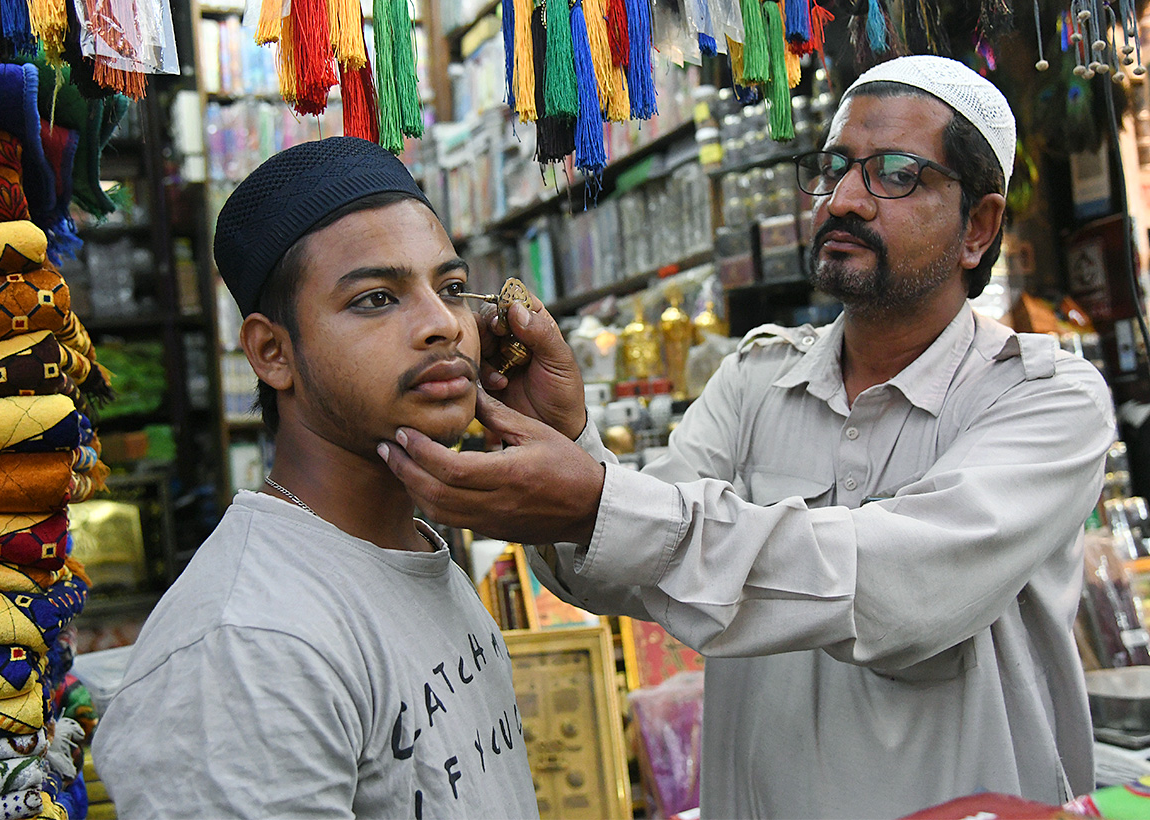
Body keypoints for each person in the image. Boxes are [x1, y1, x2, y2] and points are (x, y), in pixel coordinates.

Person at [378, 55, 1118, 819]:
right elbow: (617, 568)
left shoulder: (1042, 398)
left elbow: (897, 596)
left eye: (897, 174)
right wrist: (567, 438)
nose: (847, 200)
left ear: (981, 227)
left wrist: (596, 499)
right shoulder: (759, 378)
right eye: (833, 168)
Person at [92, 137, 539, 819]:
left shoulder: (409, 550)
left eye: (450, 288)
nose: (442, 326)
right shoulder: (245, 644)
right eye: (377, 298)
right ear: (272, 352)